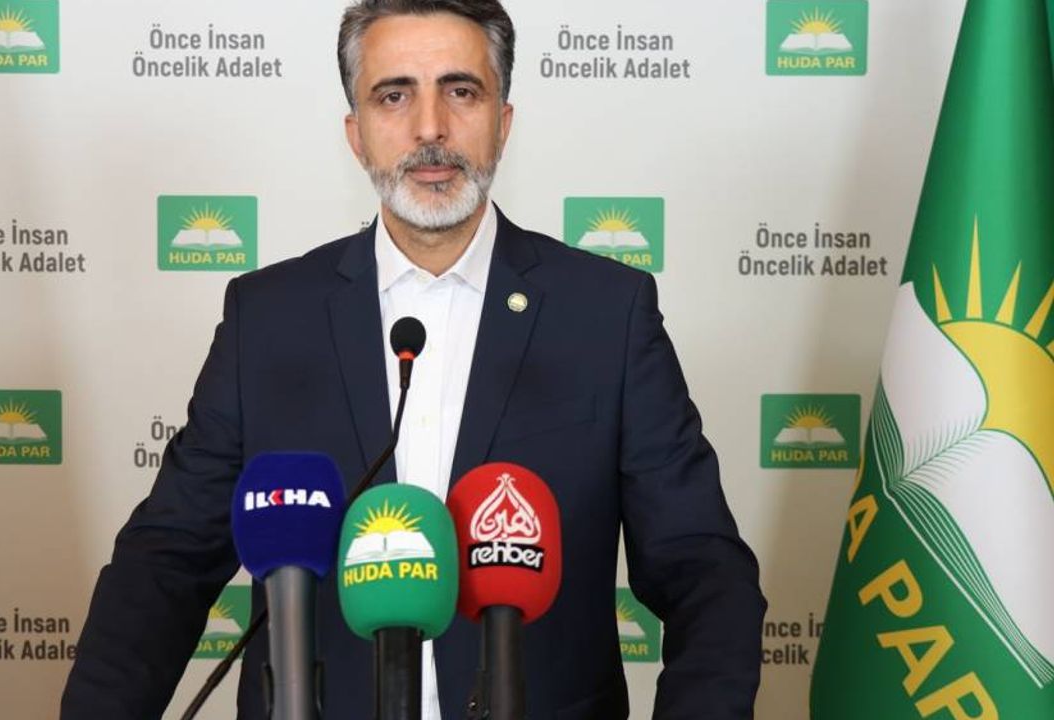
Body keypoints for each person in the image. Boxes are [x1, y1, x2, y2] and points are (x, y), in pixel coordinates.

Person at [61, 1, 766, 718]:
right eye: (394, 96)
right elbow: (166, 562)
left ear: (503, 122)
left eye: (461, 91)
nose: (430, 128)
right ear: (357, 134)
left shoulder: (606, 314)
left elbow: (704, 569)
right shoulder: (268, 318)